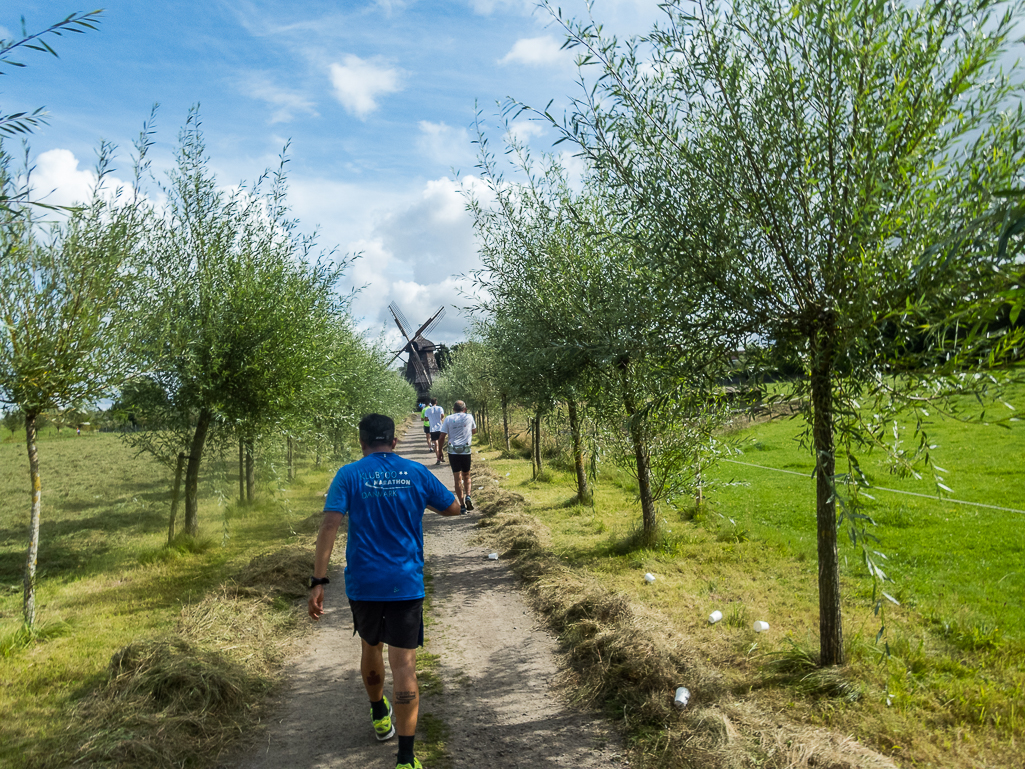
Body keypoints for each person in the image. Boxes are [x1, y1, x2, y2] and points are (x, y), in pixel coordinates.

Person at [309, 413, 461, 769]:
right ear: (394, 442)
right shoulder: (415, 472)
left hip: (364, 583)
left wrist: (318, 581)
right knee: (404, 664)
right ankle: (406, 760)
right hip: (405, 582)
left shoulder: (349, 474)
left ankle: (379, 714)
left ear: (361, 443)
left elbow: (330, 524)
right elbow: (453, 508)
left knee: (370, 646)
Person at [437, 400, 477, 514]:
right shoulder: (469, 417)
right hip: (466, 450)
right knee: (467, 475)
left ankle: (462, 505)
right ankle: (468, 495)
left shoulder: (448, 419)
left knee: (457, 478)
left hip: (453, 451)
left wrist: (439, 451)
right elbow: (474, 431)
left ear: (454, 409)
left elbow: (442, 436)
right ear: (465, 409)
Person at [423, 398, 445, 464]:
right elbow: (442, 415)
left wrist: (431, 419)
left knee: (436, 444)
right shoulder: (440, 408)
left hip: (433, 429)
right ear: (436, 402)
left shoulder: (428, 410)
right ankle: (442, 456)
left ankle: (438, 459)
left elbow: (426, 419)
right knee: (440, 443)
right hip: (440, 428)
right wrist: (440, 419)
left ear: (431, 403)